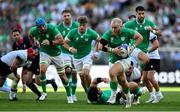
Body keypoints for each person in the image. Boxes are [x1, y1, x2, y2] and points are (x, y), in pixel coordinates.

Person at [98, 18, 143, 108]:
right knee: (123, 82)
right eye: (112, 27)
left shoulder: (127, 32)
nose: (113, 29)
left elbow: (140, 37)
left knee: (112, 72)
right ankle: (129, 98)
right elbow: (100, 46)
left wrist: (132, 47)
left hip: (125, 60)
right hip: (112, 61)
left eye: (115, 27)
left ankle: (113, 96)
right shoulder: (108, 33)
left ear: (121, 26)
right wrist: (112, 50)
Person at [29, 18, 68, 101]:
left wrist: (50, 42)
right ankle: (44, 93)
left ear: (45, 24)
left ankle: (69, 94)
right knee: (42, 71)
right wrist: (34, 45)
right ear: (37, 27)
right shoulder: (34, 30)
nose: (42, 28)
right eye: (40, 27)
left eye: (43, 26)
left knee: (63, 76)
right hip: (44, 52)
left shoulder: (52, 28)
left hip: (56, 54)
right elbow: (30, 35)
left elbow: (62, 41)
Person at [63, 16, 101, 102]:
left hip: (87, 55)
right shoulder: (72, 32)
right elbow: (64, 43)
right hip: (76, 58)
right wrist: (70, 49)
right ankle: (88, 93)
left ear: (86, 25)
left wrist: (97, 52)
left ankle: (91, 90)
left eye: (83, 25)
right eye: (80, 25)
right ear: (78, 25)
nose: (82, 27)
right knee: (82, 78)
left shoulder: (91, 32)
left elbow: (101, 40)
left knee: (86, 74)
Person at [56, 9, 79, 102]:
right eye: (64, 16)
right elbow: (58, 40)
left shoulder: (77, 26)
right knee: (68, 70)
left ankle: (73, 93)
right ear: (62, 17)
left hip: (76, 53)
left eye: (68, 15)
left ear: (71, 16)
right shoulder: (58, 27)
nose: (66, 17)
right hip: (64, 52)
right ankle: (69, 94)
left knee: (74, 74)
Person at [143, 32, 163, 103]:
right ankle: (152, 96)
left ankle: (159, 94)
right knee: (144, 78)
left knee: (150, 77)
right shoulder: (137, 35)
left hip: (154, 58)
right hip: (146, 58)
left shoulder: (149, 34)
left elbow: (156, 45)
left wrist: (146, 51)